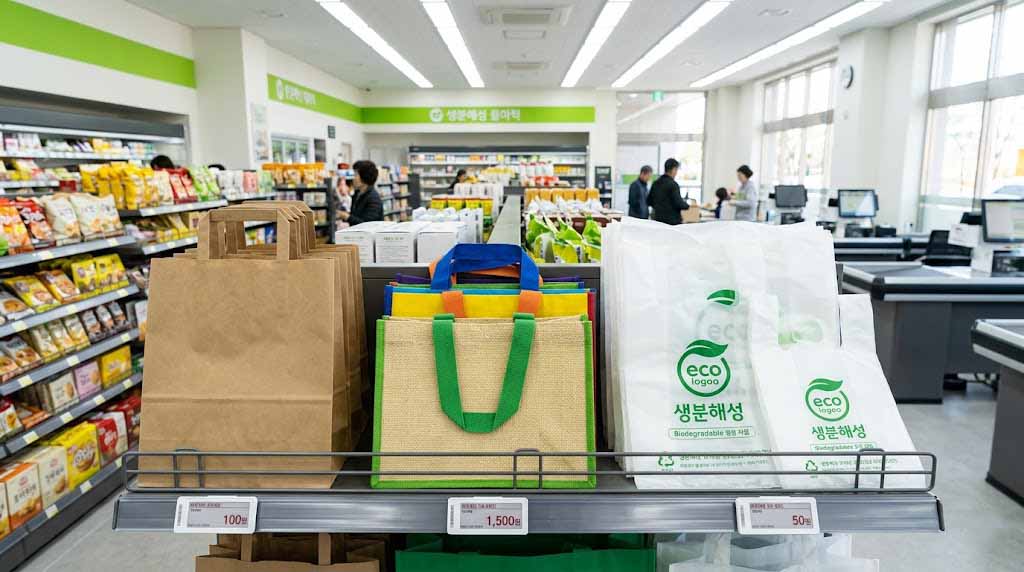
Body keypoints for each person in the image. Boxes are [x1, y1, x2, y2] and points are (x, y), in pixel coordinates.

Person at [339, 160, 383, 226]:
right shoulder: (357, 194)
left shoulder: (373, 198)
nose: (353, 178)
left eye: (355, 175)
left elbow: (368, 224)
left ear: (364, 176)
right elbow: (357, 216)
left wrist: (347, 217)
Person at [646, 158, 689, 225]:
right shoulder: (673, 184)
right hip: (672, 222)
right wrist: (687, 206)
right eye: (676, 170)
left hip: (658, 221)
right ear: (674, 169)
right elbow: (678, 203)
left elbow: (649, 201)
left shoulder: (655, 183)